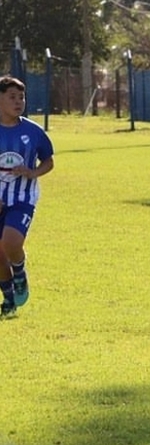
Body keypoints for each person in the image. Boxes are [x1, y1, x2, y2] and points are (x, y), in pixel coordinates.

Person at [0, 76, 55, 317]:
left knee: (11, 243)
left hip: (22, 198)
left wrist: (32, 172)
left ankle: (19, 271)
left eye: (21, 97)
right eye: (12, 97)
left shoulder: (33, 132)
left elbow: (49, 161)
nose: (18, 101)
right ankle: (9, 300)